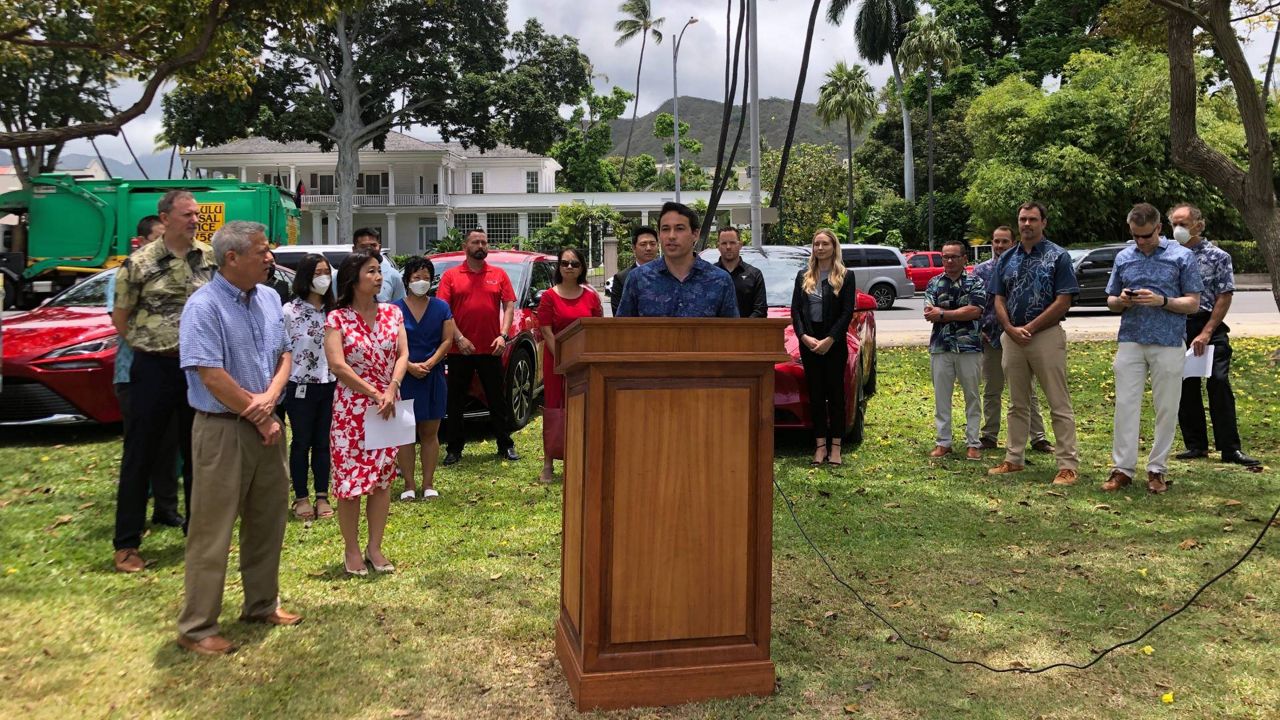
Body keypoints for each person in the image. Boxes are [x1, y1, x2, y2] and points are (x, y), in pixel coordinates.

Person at [176, 221, 301, 655]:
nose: (270, 258)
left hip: (267, 425)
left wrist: (270, 399)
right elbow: (210, 374)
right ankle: (196, 627)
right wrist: (258, 413)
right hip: (222, 431)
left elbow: (285, 352)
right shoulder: (203, 306)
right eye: (262, 251)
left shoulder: (268, 297)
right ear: (232, 258)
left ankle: (261, 603)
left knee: (268, 520)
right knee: (213, 529)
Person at [110, 191, 215, 572]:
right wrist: (151, 345)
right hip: (153, 368)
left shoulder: (209, 258)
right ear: (165, 217)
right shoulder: (139, 263)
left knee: (199, 454)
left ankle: (200, 535)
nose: (194, 220)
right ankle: (126, 544)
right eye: (187, 214)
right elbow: (121, 317)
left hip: (197, 370)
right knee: (141, 454)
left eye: (197, 215)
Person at [1101, 204, 1203, 494]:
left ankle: (1157, 469)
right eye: (1135, 236)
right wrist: (1121, 300)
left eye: (1146, 235)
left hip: (1168, 340)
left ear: (1159, 228)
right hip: (1131, 338)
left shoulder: (1181, 256)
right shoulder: (1124, 257)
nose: (1141, 241)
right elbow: (1110, 300)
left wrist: (1162, 301)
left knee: (1166, 408)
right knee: (1125, 404)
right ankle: (1122, 468)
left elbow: (1193, 302)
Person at [324, 251, 409, 575]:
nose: (379, 277)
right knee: (351, 482)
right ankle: (352, 550)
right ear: (353, 278)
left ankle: (375, 546)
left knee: (383, 480)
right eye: (371, 271)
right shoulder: (337, 318)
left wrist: (391, 389)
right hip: (352, 409)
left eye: (379, 271)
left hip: (388, 405)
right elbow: (337, 365)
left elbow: (403, 354)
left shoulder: (392, 313)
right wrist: (374, 391)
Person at [987, 201, 1081, 486]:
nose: (1027, 224)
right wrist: (1009, 328)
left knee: (1058, 402)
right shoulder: (1007, 258)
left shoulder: (1058, 256)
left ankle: (1067, 466)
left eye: (1032, 219)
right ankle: (1013, 459)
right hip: (1013, 338)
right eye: (1022, 219)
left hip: (1046, 337)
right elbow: (998, 297)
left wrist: (1029, 327)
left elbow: (1064, 300)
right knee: (1017, 403)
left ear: (1043, 223)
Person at [1171, 203, 1261, 467]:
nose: (1178, 229)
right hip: (1178, 326)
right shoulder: (1168, 255)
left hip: (1209, 325)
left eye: (1183, 224)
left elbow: (1224, 296)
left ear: (1199, 225)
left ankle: (1230, 448)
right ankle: (1196, 445)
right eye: (1174, 224)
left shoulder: (1217, 256)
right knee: (1184, 387)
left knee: (1219, 384)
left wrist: (1207, 331)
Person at [107, 215, 181, 529]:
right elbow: (121, 321)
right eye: (158, 238)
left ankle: (166, 508)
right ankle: (131, 523)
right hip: (134, 373)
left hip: (170, 372)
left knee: (170, 445)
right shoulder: (126, 273)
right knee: (140, 447)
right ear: (141, 240)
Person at [436, 228, 519, 465]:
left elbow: (509, 306)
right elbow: (445, 311)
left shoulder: (499, 274)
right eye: (475, 242)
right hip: (459, 349)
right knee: (455, 401)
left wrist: (503, 335)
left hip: (491, 348)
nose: (481, 245)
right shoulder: (451, 276)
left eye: (484, 242)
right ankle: (454, 449)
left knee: (497, 399)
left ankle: (505, 444)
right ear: (466, 246)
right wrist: (459, 338)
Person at [972, 226, 1053, 453]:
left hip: (1020, 336)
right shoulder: (980, 271)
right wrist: (981, 331)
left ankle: (1038, 438)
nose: (999, 246)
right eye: (996, 241)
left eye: (1004, 242)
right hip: (991, 338)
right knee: (992, 389)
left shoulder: (1021, 266)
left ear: (1013, 242)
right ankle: (989, 435)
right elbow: (974, 304)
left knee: (1027, 389)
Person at [790, 229, 858, 466]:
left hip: (834, 343)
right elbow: (796, 310)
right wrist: (804, 336)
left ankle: (836, 447)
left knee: (836, 396)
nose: (820, 248)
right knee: (816, 396)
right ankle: (820, 446)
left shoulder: (846, 276)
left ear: (833, 247)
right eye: (816, 244)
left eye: (824, 244)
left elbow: (847, 311)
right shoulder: (803, 276)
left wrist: (830, 339)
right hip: (809, 342)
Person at [537, 247, 603, 483]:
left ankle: (582, 459)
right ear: (559, 267)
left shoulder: (590, 296)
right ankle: (548, 463)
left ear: (582, 267)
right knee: (555, 409)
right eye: (565, 263)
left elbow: (597, 329)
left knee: (584, 408)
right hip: (557, 363)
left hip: (584, 361)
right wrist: (563, 360)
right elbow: (546, 330)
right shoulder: (549, 296)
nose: (570, 268)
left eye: (575, 264)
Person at [394, 257, 454, 500]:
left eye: (426, 277)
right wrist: (407, 366)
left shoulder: (441, 307)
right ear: (407, 279)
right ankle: (409, 484)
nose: (421, 281)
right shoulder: (394, 309)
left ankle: (428, 483)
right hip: (404, 377)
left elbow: (447, 340)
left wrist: (431, 362)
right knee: (405, 433)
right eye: (417, 277)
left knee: (430, 431)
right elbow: (389, 345)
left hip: (433, 375)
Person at [282, 254, 337, 521]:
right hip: (300, 386)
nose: (323, 278)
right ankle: (301, 497)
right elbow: (281, 351)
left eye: (326, 272)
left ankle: (322, 495)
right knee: (302, 442)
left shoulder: (334, 312)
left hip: (330, 384)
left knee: (323, 442)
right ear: (305, 276)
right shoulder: (289, 312)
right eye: (317, 272)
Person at [616, 202, 738, 318]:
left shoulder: (720, 280)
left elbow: (732, 332)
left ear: (695, 234)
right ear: (659, 235)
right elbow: (622, 330)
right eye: (665, 229)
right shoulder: (638, 278)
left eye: (679, 228)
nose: (671, 236)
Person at [924, 240, 987, 460]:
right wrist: (952, 313)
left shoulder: (975, 282)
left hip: (969, 347)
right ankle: (943, 442)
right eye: (945, 257)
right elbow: (928, 311)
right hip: (941, 347)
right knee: (942, 396)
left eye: (954, 257)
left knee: (972, 395)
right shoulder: (934, 283)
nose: (949, 261)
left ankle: (973, 443)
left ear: (964, 259)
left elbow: (975, 311)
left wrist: (943, 314)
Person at [713, 226, 767, 318]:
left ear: (740, 245)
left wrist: (742, 328)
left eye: (732, 243)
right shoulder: (709, 275)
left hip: (747, 330)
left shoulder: (754, 275)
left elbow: (760, 310)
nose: (728, 247)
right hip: (715, 331)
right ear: (718, 246)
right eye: (724, 243)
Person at [608, 226, 659, 315]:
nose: (648, 248)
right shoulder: (621, 278)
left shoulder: (668, 272)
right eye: (643, 244)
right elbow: (618, 315)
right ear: (634, 248)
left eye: (652, 244)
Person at [353, 227, 405, 303]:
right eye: (363, 246)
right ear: (354, 249)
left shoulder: (393, 275)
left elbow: (400, 307)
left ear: (379, 248)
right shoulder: (341, 276)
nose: (369, 249)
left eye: (373, 245)